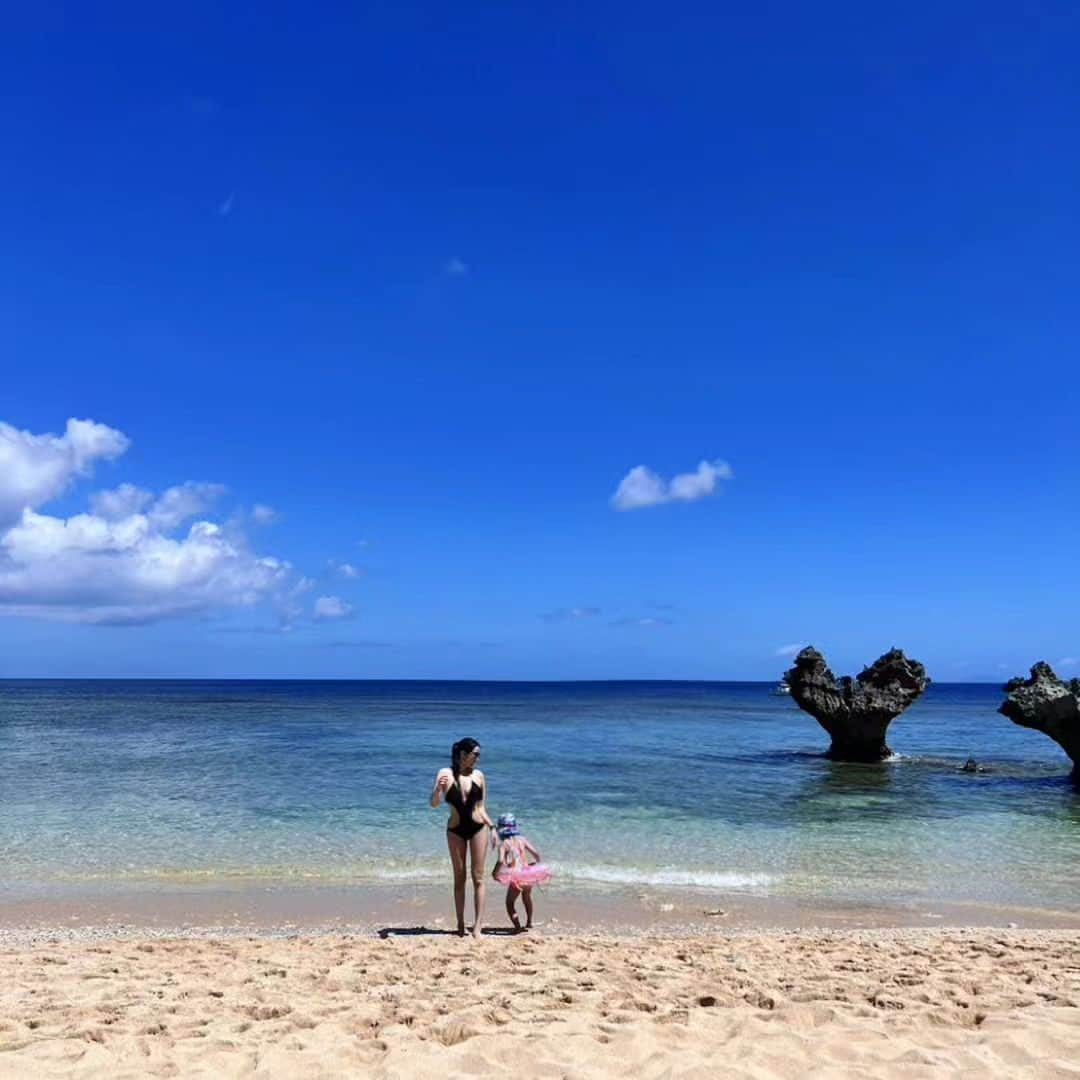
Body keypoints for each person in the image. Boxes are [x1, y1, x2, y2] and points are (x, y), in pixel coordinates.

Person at [430, 737, 493, 937]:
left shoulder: (479, 776)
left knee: (478, 877)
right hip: (455, 830)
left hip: (478, 828)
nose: (478, 759)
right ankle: (459, 924)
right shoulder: (445, 774)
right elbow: (433, 804)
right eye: (475, 754)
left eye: (478, 755)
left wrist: (495, 828)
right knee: (459, 877)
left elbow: (481, 808)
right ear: (463, 755)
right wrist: (437, 791)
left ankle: (477, 927)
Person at [491, 813, 551, 933]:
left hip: (517, 877)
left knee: (509, 903)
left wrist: (495, 873)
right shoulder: (522, 840)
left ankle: (517, 927)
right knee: (527, 897)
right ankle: (529, 922)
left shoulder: (504, 844)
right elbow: (536, 853)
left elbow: (500, 860)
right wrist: (536, 865)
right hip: (528, 874)